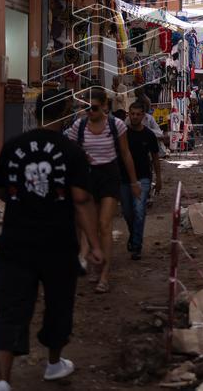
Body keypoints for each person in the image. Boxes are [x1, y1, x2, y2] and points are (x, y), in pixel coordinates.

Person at [0, 88, 103, 388]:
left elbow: (0, 191)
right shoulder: (71, 151)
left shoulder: (12, 146)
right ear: (65, 112)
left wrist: (24, 201)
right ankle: (53, 364)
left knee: (10, 310)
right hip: (57, 243)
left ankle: (2, 382)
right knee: (58, 306)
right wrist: (94, 245)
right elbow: (81, 199)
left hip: (15, 242)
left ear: (37, 110)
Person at [67, 87, 140, 294]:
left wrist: (134, 182)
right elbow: (70, 153)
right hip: (88, 177)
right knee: (90, 226)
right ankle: (95, 264)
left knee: (104, 224)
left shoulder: (116, 125)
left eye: (94, 108)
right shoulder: (79, 126)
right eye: (87, 108)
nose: (90, 112)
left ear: (105, 106)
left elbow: (125, 153)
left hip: (109, 176)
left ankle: (105, 274)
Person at [121, 101, 161, 260]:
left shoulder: (149, 135)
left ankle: (136, 245)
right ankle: (134, 235)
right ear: (128, 114)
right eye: (132, 114)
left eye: (138, 114)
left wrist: (159, 179)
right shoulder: (123, 133)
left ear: (143, 116)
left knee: (139, 210)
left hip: (143, 177)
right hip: (124, 178)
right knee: (127, 212)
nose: (135, 117)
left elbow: (155, 158)